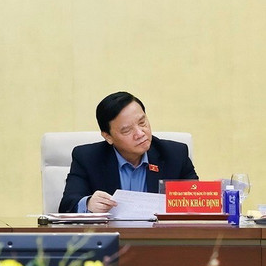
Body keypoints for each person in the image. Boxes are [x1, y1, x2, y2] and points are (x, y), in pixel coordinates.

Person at [59, 91, 198, 213]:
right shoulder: (87, 158)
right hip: (111, 234)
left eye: (142, 123)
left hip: (158, 234)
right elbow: (67, 205)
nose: (140, 133)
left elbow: (196, 202)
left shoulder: (175, 155)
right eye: (127, 130)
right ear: (108, 137)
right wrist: (88, 204)